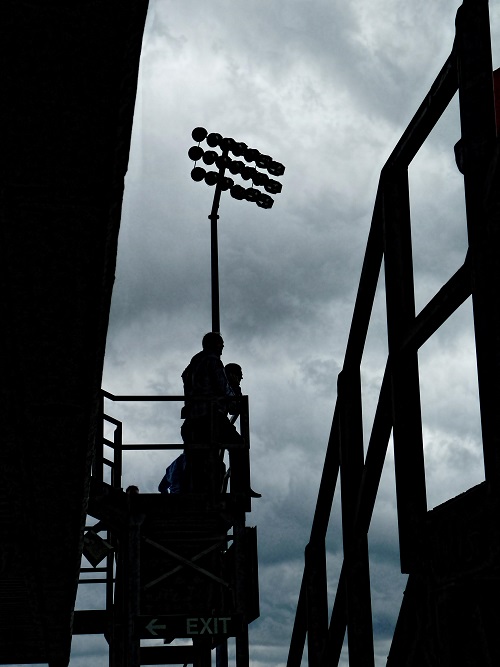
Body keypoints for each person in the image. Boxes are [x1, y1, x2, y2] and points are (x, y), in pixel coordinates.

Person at [180, 333, 260, 497]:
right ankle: (241, 487)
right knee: (238, 445)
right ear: (214, 345)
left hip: (192, 418)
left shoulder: (194, 363)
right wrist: (234, 393)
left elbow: (186, 380)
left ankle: (189, 494)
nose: (222, 347)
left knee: (197, 459)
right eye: (220, 344)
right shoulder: (213, 361)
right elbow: (225, 390)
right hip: (210, 416)